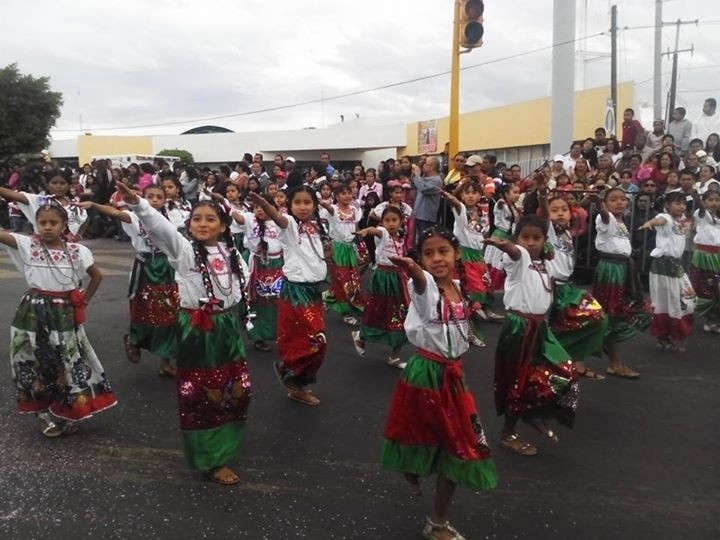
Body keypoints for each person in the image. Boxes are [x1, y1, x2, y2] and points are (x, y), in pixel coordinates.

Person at [118, 183, 251, 486]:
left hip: (226, 327)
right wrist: (139, 204)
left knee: (236, 388)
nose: (202, 224)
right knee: (204, 393)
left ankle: (223, 444)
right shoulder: (185, 252)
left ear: (225, 225)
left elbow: (239, 287)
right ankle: (210, 458)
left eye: (210, 219)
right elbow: (162, 228)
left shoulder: (232, 253)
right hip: (197, 329)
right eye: (196, 219)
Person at [380, 227, 497, 540]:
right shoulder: (426, 286)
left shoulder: (459, 288)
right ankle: (413, 471)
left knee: (456, 446)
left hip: (452, 377)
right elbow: (421, 282)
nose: (436, 258)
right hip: (425, 375)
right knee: (420, 436)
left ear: (456, 253)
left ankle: (438, 521)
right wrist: (414, 270)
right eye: (428, 254)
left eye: (443, 251)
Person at [0, 204, 115, 437]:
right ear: (36, 225)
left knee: (69, 361)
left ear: (64, 226)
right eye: (42, 223)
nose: (47, 227)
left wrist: (83, 301)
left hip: (64, 313)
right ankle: (41, 415)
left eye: (53, 223)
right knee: (33, 361)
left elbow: (96, 276)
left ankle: (71, 411)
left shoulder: (77, 251)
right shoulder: (27, 245)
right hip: (32, 312)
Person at [485, 215, 577, 458]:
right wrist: (501, 244)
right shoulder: (520, 259)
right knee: (518, 380)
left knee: (561, 371)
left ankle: (533, 412)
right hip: (519, 327)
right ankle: (509, 431)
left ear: (545, 240)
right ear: (517, 239)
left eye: (536, 238)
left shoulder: (545, 264)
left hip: (539, 327)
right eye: (525, 237)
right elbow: (514, 252)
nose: (531, 243)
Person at [78, 186, 180, 377]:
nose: (155, 200)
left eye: (159, 197)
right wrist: (93, 204)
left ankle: (166, 361)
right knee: (141, 308)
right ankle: (134, 340)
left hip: (166, 267)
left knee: (169, 313)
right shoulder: (135, 217)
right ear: (143, 198)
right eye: (151, 196)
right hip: (145, 267)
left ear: (166, 200)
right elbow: (115, 212)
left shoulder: (173, 216)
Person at [248, 187, 329, 406]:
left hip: (314, 291)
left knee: (312, 341)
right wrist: (265, 205)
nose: (303, 207)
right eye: (298, 203)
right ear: (290, 206)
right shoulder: (290, 226)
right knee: (315, 339)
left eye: (307, 202)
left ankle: (297, 382)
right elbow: (279, 219)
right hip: (296, 291)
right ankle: (291, 376)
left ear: (314, 205)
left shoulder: (317, 226)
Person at [538, 189, 609, 380]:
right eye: (555, 210)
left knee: (596, 319)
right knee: (550, 330)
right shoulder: (549, 231)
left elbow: (577, 209)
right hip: (553, 288)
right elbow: (545, 215)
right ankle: (554, 365)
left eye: (563, 209)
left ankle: (575, 363)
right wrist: (543, 195)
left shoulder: (567, 233)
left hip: (568, 287)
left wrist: (586, 200)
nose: (560, 213)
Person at [593, 188, 652, 379]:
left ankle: (609, 352)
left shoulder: (622, 222)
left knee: (621, 313)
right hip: (611, 269)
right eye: (613, 199)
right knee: (613, 314)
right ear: (606, 203)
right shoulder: (605, 218)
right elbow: (604, 217)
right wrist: (600, 207)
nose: (619, 202)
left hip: (624, 268)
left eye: (622, 199)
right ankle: (614, 361)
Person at [352, 206, 410, 368]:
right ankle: (361, 336)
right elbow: (374, 230)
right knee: (376, 311)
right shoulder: (383, 233)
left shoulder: (400, 236)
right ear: (382, 222)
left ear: (401, 222)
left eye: (394, 220)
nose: (391, 224)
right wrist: (366, 231)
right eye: (387, 220)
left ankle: (395, 356)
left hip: (398, 278)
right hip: (383, 278)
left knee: (400, 315)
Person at [638, 192, 696, 351]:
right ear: (668, 206)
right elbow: (659, 220)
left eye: (683, 203)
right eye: (677, 203)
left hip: (675, 265)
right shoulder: (666, 218)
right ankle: (663, 336)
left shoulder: (683, 220)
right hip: (662, 266)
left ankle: (673, 332)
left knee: (687, 298)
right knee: (665, 302)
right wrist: (650, 222)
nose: (681, 206)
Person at [443, 181, 502, 329]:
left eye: (474, 193)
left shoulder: (482, 210)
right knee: (471, 284)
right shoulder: (460, 210)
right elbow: (457, 205)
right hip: (465, 253)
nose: (470, 196)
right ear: (462, 195)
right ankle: (471, 314)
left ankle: (486, 309)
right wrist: (453, 199)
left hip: (478, 253)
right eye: (467, 193)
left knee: (485, 282)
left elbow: (484, 230)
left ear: (479, 194)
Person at [232, 194, 283, 352]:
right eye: (256, 207)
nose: (259, 210)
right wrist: (228, 204)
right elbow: (238, 218)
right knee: (258, 301)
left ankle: (277, 333)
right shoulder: (250, 219)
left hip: (278, 264)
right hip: (258, 265)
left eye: (263, 206)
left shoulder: (281, 221)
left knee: (276, 301)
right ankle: (258, 336)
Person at [320, 184, 364, 325]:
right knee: (342, 280)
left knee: (353, 279)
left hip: (350, 247)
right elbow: (328, 208)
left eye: (349, 192)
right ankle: (345, 313)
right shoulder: (334, 209)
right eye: (343, 193)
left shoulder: (354, 210)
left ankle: (328, 297)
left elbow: (356, 228)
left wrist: (358, 248)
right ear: (337, 196)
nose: (346, 195)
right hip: (337, 248)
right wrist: (321, 202)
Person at [0, 169, 87, 241]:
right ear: (48, 185)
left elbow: (86, 219)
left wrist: (79, 235)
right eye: (54, 183)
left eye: (62, 183)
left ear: (69, 186)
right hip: (42, 248)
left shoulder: (75, 205)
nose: (58, 186)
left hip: (69, 250)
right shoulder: (41, 201)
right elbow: (15, 195)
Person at [689, 191, 720, 332]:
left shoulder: (717, 217)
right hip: (705, 256)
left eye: (717, 200)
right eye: (710, 200)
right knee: (708, 287)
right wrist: (697, 199)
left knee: (717, 289)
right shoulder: (701, 214)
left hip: (718, 255)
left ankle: (713, 318)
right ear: (704, 201)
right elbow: (702, 209)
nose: (714, 203)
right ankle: (710, 319)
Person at [484, 183, 521, 292]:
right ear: (506, 194)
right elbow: (498, 206)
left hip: (509, 238)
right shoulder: (501, 205)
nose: (517, 195)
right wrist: (500, 200)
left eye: (518, 192)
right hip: (500, 236)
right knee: (496, 263)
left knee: (504, 264)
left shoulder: (515, 208)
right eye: (514, 192)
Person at [412, 158, 443, 241]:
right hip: (418, 215)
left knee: (425, 240)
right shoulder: (425, 177)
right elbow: (416, 183)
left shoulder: (436, 180)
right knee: (417, 240)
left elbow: (423, 189)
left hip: (427, 218)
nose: (423, 165)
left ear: (432, 167)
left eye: (426, 163)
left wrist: (417, 175)